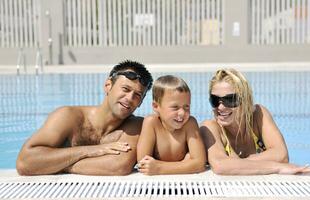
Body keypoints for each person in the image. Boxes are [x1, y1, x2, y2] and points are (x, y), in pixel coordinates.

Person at [16, 60, 153, 176]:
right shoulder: (68, 116)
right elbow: (24, 162)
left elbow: (118, 166)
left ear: (140, 102)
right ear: (108, 86)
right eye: (125, 89)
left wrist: (56, 165)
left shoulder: (136, 126)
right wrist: (89, 150)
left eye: (137, 95)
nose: (129, 98)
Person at [200, 68, 310, 175]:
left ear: (245, 100)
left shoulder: (258, 115)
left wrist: (236, 164)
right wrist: (277, 167)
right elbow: (220, 165)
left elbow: (282, 155)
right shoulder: (209, 128)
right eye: (215, 100)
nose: (221, 107)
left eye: (230, 100)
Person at [137, 75, 206, 175]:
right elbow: (143, 164)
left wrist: (159, 168)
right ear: (156, 106)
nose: (182, 113)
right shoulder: (151, 123)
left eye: (186, 107)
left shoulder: (190, 124)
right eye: (175, 107)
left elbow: (200, 163)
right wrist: (186, 164)